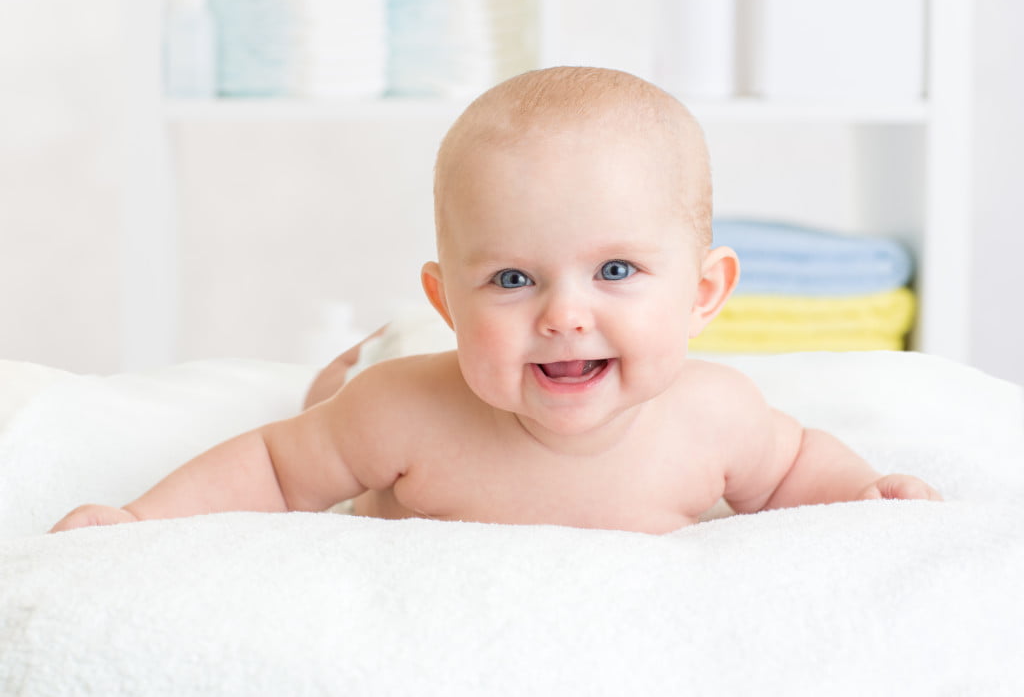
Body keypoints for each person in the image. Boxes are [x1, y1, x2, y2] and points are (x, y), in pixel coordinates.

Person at [51, 67, 940, 535]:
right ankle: (359, 350)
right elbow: (277, 471)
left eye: (617, 272)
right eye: (512, 279)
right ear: (449, 299)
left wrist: (867, 494)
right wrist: (140, 519)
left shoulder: (719, 419)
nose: (563, 314)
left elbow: (795, 473)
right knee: (335, 400)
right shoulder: (402, 414)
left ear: (705, 294)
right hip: (403, 371)